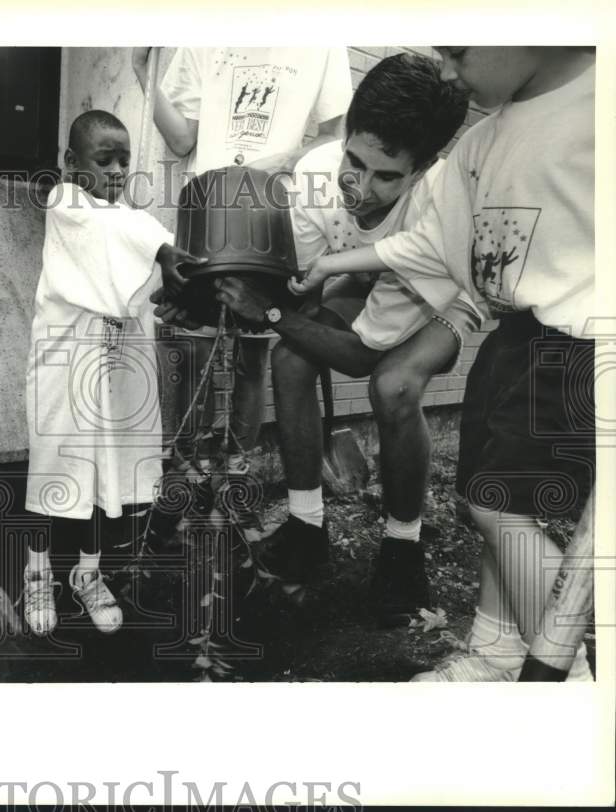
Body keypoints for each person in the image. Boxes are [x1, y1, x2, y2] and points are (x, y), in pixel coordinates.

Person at [289, 47, 596, 680]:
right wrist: (329, 266)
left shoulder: (596, 107)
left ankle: (578, 666)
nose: (449, 72)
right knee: (485, 496)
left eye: (458, 52)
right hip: (516, 331)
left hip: (577, 336)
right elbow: (429, 244)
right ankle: (495, 649)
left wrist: (279, 314)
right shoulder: (482, 142)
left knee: (496, 507)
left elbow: (375, 338)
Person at [198, 53, 478, 625]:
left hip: (446, 289)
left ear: (422, 169)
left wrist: (272, 312)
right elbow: (299, 289)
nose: (362, 188)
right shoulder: (319, 175)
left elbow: (358, 356)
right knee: (291, 359)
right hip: (364, 274)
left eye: (386, 176)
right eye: (355, 162)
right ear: (345, 136)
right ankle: (306, 527)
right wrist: (219, 293)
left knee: (394, 386)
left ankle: (403, 547)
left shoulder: (434, 210)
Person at [24, 109, 202, 636]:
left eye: (125, 160)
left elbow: (137, 232)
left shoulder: (128, 217)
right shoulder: (66, 203)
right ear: (71, 163)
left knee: (109, 470)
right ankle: (37, 574)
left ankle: (87, 573)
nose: (118, 170)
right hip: (64, 358)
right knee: (55, 468)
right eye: (105, 160)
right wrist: (163, 249)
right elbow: (123, 234)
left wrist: (172, 265)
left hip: (117, 359)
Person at [132, 47, 352, 470]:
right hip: (205, 213)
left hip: (265, 214)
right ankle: (186, 482)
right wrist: (142, 70)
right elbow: (182, 139)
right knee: (190, 351)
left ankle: (237, 483)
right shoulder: (205, 27)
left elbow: (335, 135)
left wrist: (284, 161)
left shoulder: (321, 34)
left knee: (252, 358)